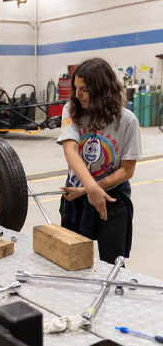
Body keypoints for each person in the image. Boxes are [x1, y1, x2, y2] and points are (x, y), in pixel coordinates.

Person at [58, 57, 142, 264]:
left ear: (102, 89)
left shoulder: (127, 121)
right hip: (75, 198)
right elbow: (71, 152)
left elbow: (127, 171)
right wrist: (89, 189)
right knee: (70, 263)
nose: (77, 95)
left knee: (112, 267)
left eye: (84, 89)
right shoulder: (70, 110)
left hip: (112, 199)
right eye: (76, 88)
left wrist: (91, 189)